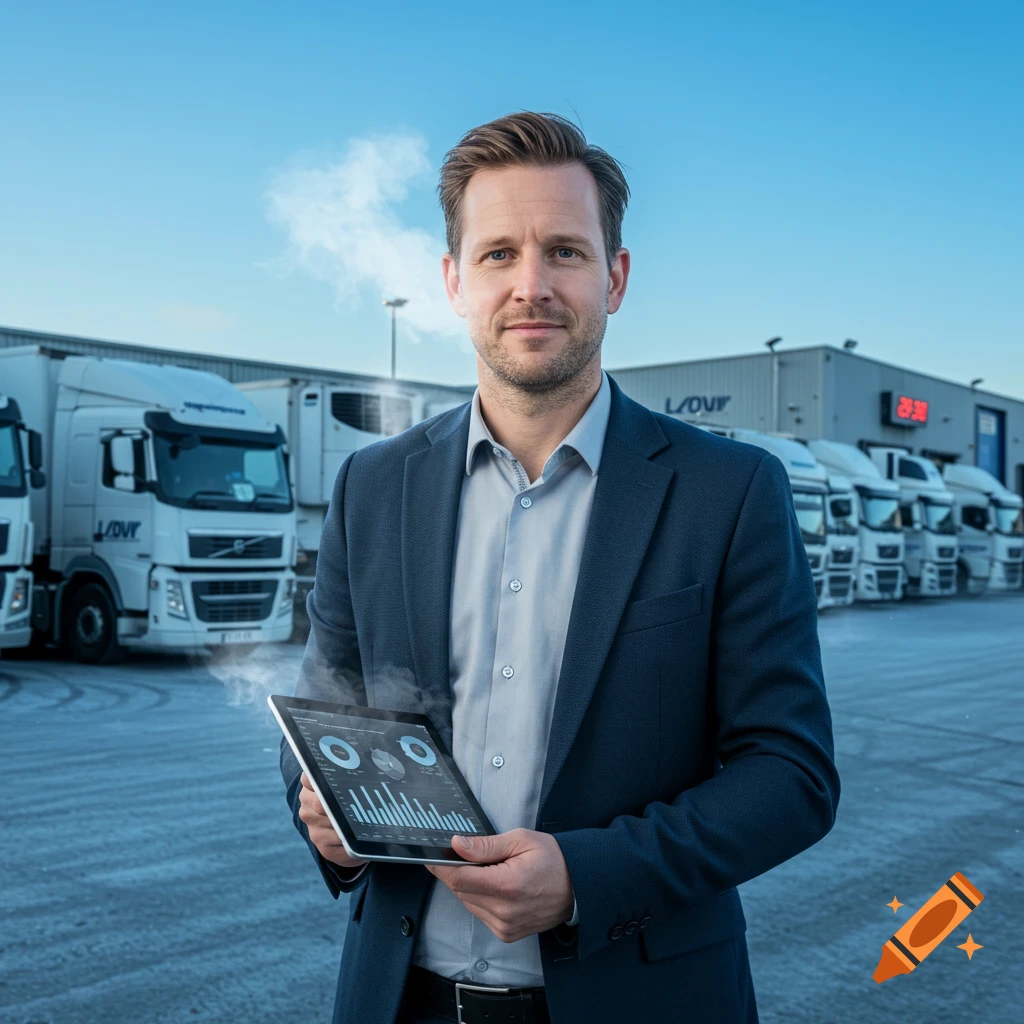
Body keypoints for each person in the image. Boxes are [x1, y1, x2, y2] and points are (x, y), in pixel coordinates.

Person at [281, 111, 840, 1024]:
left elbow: (790, 771)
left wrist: (589, 875)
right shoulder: (373, 487)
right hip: (400, 1001)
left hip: (645, 999)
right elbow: (324, 713)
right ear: (455, 281)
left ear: (615, 279)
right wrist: (326, 819)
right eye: (499, 253)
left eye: (566, 252)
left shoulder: (728, 491)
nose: (530, 285)